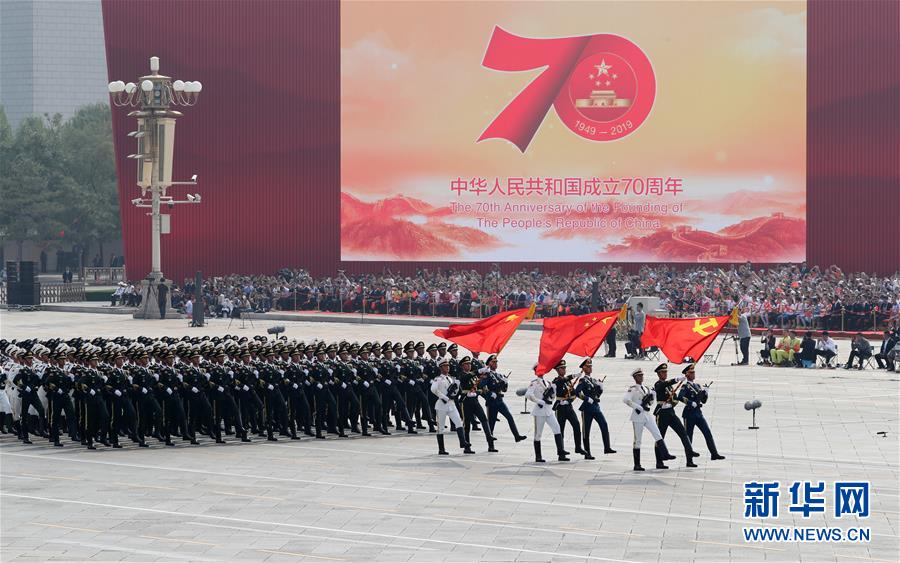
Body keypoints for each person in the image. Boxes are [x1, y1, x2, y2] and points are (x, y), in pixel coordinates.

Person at [622, 368, 673, 471]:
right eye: (639, 376)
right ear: (635, 377)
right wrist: (637, 406)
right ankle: (637, 464)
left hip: (647, 415)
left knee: (657, 433)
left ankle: (665, 454)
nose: (641, 377)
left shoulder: (646, 388)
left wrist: (653, 396)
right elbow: (626, 399)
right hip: (638, 416)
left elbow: (650, 403)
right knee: (638, 440)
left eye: (642, 375)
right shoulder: (632, 389)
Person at [652, 363, 698, 468]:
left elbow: (676, 398)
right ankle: (659, 462)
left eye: (666, 372)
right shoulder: (658, 384)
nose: (665, 374)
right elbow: (663, 385)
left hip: (671, 412)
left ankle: (690, 452)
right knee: (660, 437)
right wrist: (676, 379)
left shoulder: (669, 386)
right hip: (662, 414)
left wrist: (673, 401)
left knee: (683, 433)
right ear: (658, 374)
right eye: (663, 372)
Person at [677, 364, 725, 460]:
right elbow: (680, 397)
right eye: (691, 373)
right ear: (686, 374)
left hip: (698, 413)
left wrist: (706, 392)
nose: (693, 374)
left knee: (707, 433)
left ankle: (714, 453)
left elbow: (703, 401)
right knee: (689, 437)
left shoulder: (697, 386)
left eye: (694, 372)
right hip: (689, 414)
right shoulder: (685, 386)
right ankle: (689, 460)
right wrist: (690, 403)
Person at [525, 363, 569, 462]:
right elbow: (528, 394)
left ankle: (561, 453)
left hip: (549, 410)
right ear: (536, 372)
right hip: (539, 411)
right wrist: (538, 401)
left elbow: (552, 397)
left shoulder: (548, 383)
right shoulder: (534, 383)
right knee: (538, 434)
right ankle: (538, 456)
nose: (541, 372)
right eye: (538, 370)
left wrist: (553, 390)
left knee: (557, 429)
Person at [574, 358, 615, 459]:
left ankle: (607, 447)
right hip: (587, 408)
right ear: (584, 368)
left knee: (604, 424)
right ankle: (587, 453)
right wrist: (587, 399)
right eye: (588, 367)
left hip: (596, 407)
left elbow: (597, 395)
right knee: (586, 431)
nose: (590, 368)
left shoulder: (593, 380)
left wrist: (601, 388)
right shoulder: (582, 380)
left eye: (591, 366)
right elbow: (577, 392)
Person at [430, 357, 472, 455]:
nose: (447, 367)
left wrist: (456, 386)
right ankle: (441, 449)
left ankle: (463, 442)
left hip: (451, 404)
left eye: (448, 365)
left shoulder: (450, 378)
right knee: (441, 428)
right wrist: (443, 397)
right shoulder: (438, 379)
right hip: (441, 405)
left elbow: (455, 393)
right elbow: (433, 389)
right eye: (445, 366)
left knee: (459, 422)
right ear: (440, 368)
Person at [551, 360, 587, 457]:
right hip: (560, 409)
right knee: (560, 430)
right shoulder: (556, 381)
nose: (564, 370)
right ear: (557, 370)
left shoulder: (568, 382)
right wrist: (574, 375)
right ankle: (561, 452)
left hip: (569, 407)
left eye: (564, 368)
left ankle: (578, 447)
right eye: (562, 368)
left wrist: (570, 400)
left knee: (576, 426)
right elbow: (561, 382)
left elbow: (574, 393)